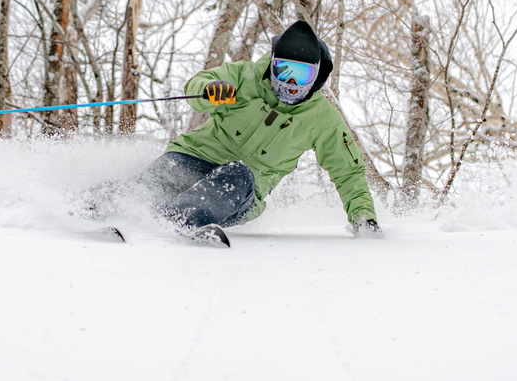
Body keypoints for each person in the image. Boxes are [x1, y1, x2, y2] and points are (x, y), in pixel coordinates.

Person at [138, 20, 381, 246]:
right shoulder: (245, 77)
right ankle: (108, 205)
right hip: (194, 157)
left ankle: (182, 218)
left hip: (239, 191)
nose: (292, 83)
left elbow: (348, 170)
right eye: (284, 70)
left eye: (302, 74)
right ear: (273, 64)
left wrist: (364, 218)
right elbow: (199, 84)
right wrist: (209, 89)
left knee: (238, 172)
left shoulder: (322, 117)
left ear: (316, 74)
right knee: (161, 177)